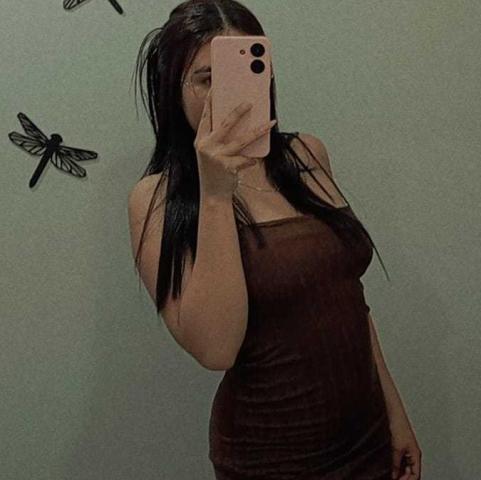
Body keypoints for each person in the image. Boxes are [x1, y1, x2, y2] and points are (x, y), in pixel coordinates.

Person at [127, 0, 421, 478]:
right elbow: (215, 348)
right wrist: (216, 194)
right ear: (173, 89)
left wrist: (395, 412)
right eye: (206, 78)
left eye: (243, 71)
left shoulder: (306, 155)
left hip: (365, 436)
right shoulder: (157, 198)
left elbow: (347, 298)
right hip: (271, 456)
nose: (227, 96)